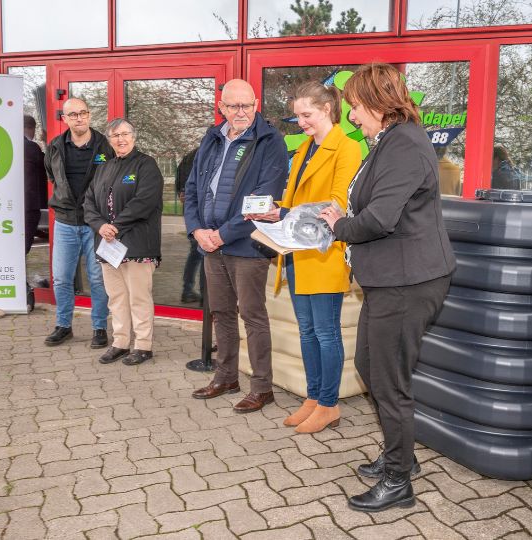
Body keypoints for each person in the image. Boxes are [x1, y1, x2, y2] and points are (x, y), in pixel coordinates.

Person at [319, 63, 455, 513]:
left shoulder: (403, 145)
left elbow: (380, 218)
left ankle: (398, 481)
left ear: (379, 101)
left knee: (389, 380)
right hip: (391, 280)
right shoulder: (390, 142)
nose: (353, 117)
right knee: (369, 365)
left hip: (408, 281)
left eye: (356, 106)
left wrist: (339, 226)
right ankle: (403, 457)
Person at [247, 81, 361, 433]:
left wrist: (286, 216)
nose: (301, 122)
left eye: (306, 115)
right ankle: (313, 397)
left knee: (326, 333)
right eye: (297, 116)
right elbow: (296, 203)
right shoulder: (304, 149)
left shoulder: (348, 148)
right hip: (297, 253)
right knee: (308, 332)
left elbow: (335, 205)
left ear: (327, 109)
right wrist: (273, 212)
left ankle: (329, 404)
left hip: (324, 253)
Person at [185, 79, 288, 413]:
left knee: (253, 316)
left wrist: (223, 234)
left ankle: (262, 388)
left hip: (246, 245)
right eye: (233, 106)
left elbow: (262, 199)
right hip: (211, 244)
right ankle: (226, 377)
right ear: (222, 107)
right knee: (222, 313)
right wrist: (196, 229)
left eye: (246, 105)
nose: (240, 112)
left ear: (256, 103)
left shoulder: (270, 141)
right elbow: (193, 186)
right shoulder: (212, 137)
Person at [84, 118, 163, 366]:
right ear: (109, 140)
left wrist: (116, 226)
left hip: (138, 244)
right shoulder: (103, 168)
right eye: (115, 135)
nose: (121, 139)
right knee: (116, 297)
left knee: (138, 297)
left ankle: (143, 346)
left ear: (134, 136)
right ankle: (120, 342)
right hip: (108, 246)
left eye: (125, 134)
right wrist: (100, 226)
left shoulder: (146, 165)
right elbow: (89, 203)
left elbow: (144, 202)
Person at [44, 98, 113, 348]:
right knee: (61, 278)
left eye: (82, 113)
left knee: (97, 278)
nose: (78, 118)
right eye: (72, 114)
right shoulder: (54, 146)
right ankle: (63, 326)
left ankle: (99, 327)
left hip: (95, 224)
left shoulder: (105, 146)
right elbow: (52, 176)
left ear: (90, 115)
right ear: (65, 118)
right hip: (64, 222)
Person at [175, 147, 203, 305]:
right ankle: (203, 296)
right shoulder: (204, 153)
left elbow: (180, 181)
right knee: (202, 253)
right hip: (199, 208)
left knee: (195, 253)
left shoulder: (189, 156)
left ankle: (188, 289)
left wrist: (181, 192)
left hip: (191, 209)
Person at [23, 115, 47, 255]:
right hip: (29, 205)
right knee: (24, 245)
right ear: (31, 128)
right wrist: (46, 141)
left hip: (14, 204)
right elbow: (49, 164)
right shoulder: (30, 147)